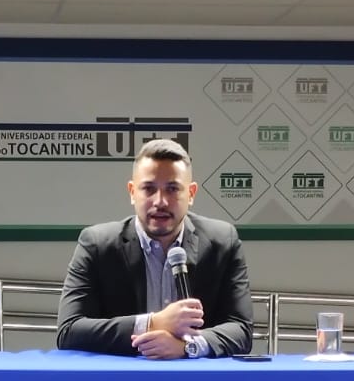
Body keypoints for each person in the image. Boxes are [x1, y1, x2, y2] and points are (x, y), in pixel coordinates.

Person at [57, 139, 253, 359]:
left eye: (172, 189)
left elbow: (241, 330)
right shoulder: (97, 244)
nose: (160, 201)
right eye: (149, 189)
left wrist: (188, 348)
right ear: (132, 192)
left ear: (191, 193)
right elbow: (69, 331)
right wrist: (152, 323)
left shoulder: (222, 241)